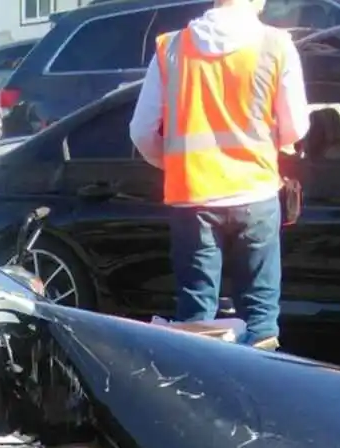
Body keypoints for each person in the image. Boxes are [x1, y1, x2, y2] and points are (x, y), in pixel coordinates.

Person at [129, 0, 309, 351]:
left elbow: (141, 131)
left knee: (197, 317)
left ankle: (203, 390)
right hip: (255, 193)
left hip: (192, 196)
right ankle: (259, 384)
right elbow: (295, 126)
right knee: (259, 315)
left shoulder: (172, 47)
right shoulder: (276, 44)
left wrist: (175, 163)